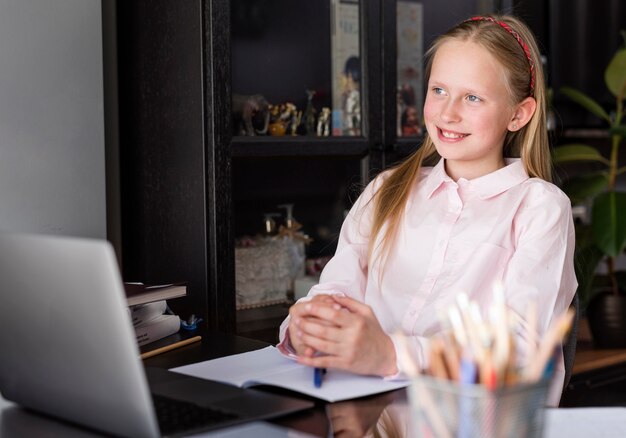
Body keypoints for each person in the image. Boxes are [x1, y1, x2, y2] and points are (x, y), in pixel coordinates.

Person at [277, 14, 577, 406]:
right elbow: (336, 290)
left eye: (472, 98)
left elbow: (518, 354)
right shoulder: (387, 190)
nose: (448, 113)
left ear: (518, 114)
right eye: (438, 90)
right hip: (367, 414)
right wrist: (310, 326)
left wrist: (391, 354)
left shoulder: (540, 207)